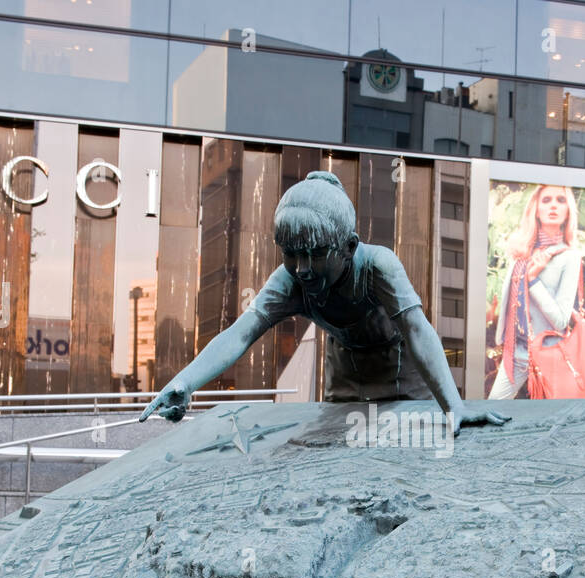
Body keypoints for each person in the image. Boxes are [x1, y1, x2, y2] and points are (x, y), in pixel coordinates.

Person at [141, 171, 508, 436]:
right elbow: (240, 334)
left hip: (403, 378)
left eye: (315, 255)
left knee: (405, 455)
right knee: (338, 460)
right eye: (290, 255)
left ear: (348, 247)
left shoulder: (378, 265)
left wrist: (453, 406)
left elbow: (416, 328)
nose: (302, 269)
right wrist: (186, 382)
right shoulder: (289, 281)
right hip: (344, 377)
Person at [488, 184, 584, 399]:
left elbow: (560, 320)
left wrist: (533, 281)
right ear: (536, 208)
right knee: (492, 408)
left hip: (550, 353)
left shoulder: (569, 257)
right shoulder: (522, 252)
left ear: (568, 210)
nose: (553, 206)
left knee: (552, 421)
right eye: (546, 200)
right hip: (516, 353)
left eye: (560, 200)